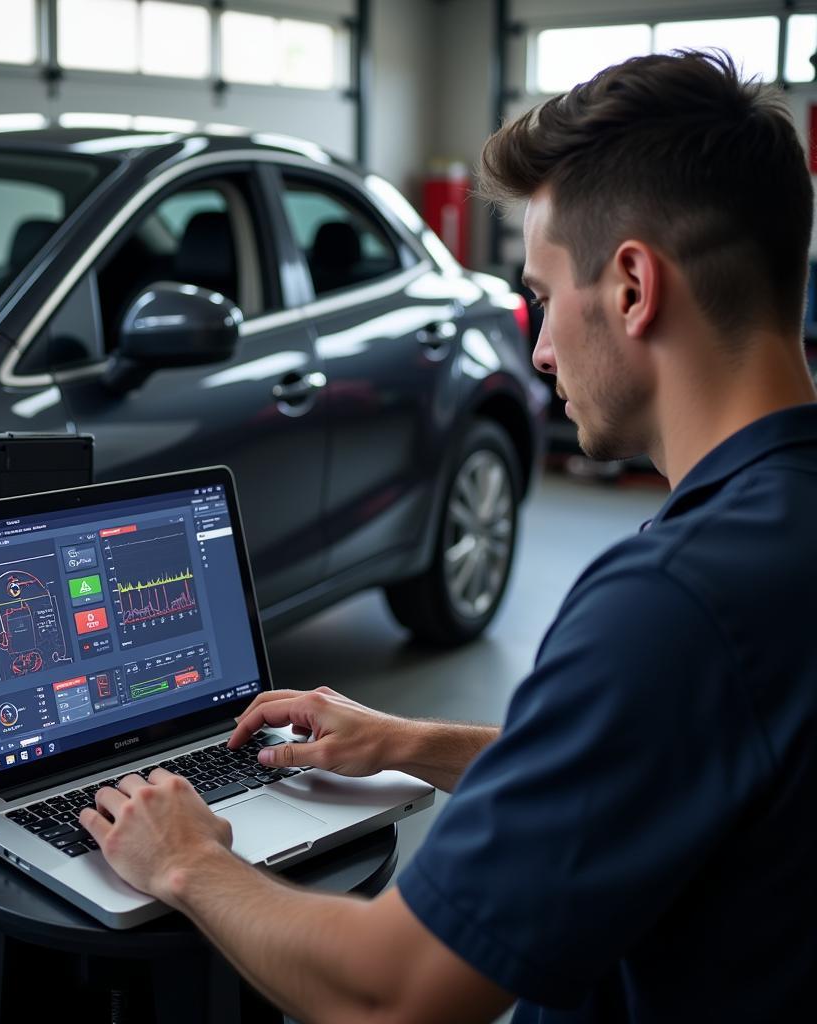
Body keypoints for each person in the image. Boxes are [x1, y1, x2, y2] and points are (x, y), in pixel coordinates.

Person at [81, 50, 817, 1021]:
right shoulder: (772, 539)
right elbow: (674, 754)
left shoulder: (673, 601)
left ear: (634, 287)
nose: (540, 347)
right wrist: (406, 741)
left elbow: (394, 992)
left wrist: (186, 860)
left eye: (544, 297)